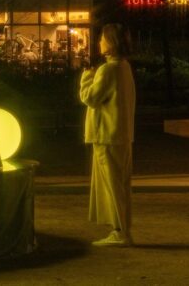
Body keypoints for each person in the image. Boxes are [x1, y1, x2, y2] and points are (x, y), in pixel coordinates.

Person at [79, 23, 136, 246]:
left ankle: (119, 232)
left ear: (110, 41)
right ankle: (123, 230)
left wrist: (86, 77)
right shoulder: (124, 67)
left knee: (111, 185)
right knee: (121, 184)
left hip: (105, 134)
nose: (99, 42)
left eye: (102, 38)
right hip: (122, 134)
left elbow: (90, 98)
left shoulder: (107, 70)